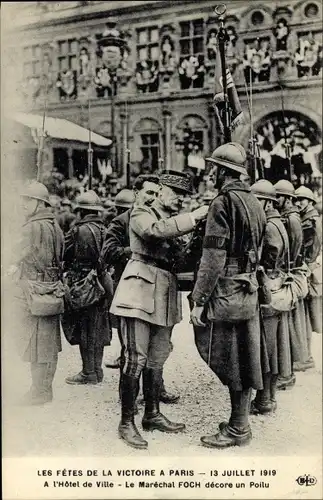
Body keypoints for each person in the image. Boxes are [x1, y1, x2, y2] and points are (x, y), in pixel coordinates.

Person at [110, 170, 209, 449]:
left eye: (185, 196)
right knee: (134, 359)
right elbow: (153, 233)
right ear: (161, 190)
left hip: (164, 291)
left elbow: (182, 260)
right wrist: (195, 217)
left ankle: (152, 414)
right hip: (138, 291)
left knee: (157, 358)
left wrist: (198, 237)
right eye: (176, 193)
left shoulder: (170, 221)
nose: (181, 199)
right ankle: (126, 422)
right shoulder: (142, 211)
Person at [191, 143, 266, 449]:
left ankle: (238, 428)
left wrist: (199, 299)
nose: (211, 174)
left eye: (214, 169)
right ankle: (240, 423)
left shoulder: (222, 203)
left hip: (226, 290)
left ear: (222, 172)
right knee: (247, 357)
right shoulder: (254, 201)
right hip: (248, 288)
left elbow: (213, 257)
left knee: (230, 358)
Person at [13, 181, 64, 405]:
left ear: (39, 203)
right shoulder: (55, 225)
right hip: (52, 289)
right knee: (49, 342)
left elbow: (12, 254)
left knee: (36, 342)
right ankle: (44, 388)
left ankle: (40, 391)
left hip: (34, 290)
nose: (23, 204)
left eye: (28, 200)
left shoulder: (31, 228)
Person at [250, 180, 291, 414]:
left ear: (266, 202)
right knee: (273, 345)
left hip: (269, 287)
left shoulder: (269, 224)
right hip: (277, 285)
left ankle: (264, 399)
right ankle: (268, 396)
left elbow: (271, 254)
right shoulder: (278, 221)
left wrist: (261, 269)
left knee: (266, 346)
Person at [63, 190, 111, 385]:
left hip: (83, 282)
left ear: (81, 211)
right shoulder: (105, 229)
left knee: (83, 327)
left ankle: (88, 372)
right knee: (98, 326)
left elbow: (65, 254)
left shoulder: (78, 230)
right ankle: (97, 370)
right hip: (102, 281)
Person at [274, 180, 307, 387]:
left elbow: (293, 251)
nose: (275, 200)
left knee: (287, 328)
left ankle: (286, 374)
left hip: (289, 275)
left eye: (278, 197)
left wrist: (286, 272)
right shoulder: (290, 217)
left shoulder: (291, 219)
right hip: (288, 273)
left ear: (287, 199)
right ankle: (287, 371)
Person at [295, 186, 322, 351]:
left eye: (302, 200)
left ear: (310, 201)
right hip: (312, 266)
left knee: (307, 312)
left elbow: (310, 247)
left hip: (309, 267)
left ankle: (306, 353)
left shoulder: (309, 221)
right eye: (296, 200)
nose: (298, 203)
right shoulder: (310, 217)